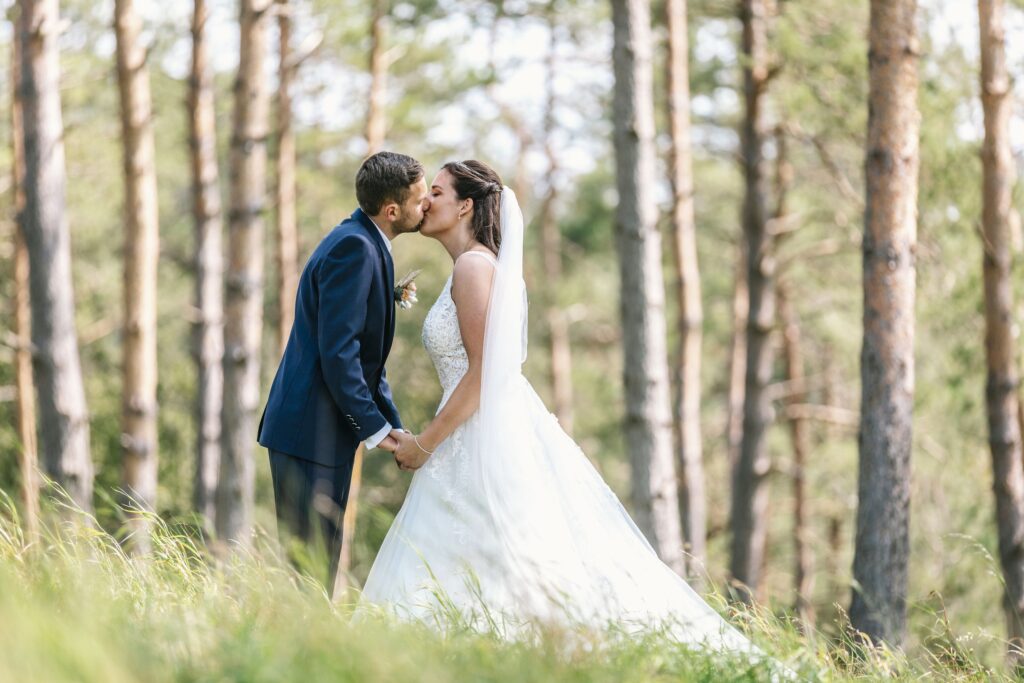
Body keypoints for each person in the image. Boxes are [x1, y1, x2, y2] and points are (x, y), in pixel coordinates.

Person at [361, 160, 763, 659]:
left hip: (476, 435)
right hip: (479, 428)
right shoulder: (479, 264)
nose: (425, 202)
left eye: (436, 193)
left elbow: (485, 372)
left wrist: (425, 443)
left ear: (465, 205)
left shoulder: (472, 266)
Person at [257, 151, 427, 596]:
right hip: (308, 434)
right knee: (307, 574)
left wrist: (391, 424)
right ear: (393, 211)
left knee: (315, 569)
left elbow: (368, 363)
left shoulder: (365, 240)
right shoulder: (355, 248)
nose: (425, 205)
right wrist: (375, 430)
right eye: (420, 198)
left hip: (321, 433)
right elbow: (339, 355)